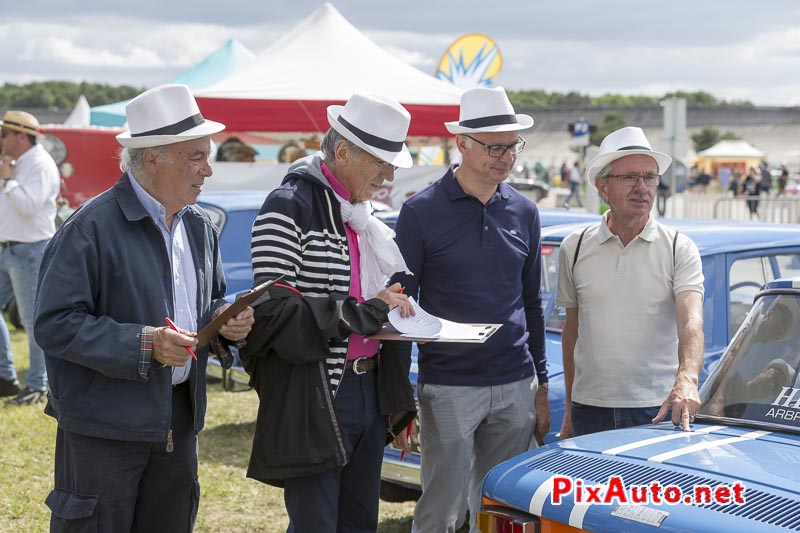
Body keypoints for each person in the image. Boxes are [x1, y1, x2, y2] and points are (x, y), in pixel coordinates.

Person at [33, 84, 254, 532]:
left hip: (178, 418)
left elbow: (204, 301)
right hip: (104, 427)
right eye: (196, 156)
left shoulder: (198, 226)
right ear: (153, 158)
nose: (208, 170)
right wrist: (145, 343)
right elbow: (55, 324)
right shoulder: (88, 228)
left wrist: (223, 320)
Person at [241, 93, 417, 533]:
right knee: (316, 522)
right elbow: (274, 311)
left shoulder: (362, 215)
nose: (388, 175)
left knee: (360, 521)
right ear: (342, 151)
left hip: (367, 390)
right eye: (381, 162)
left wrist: (397, 402)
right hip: (316, 392)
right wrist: (370, 310)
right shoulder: (288, 204)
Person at [391, 86, 551, 533]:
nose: (506, 156)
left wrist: (538, 382)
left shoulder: (525, 211)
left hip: (515, 380)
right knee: (441, 509)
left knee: (501, 511)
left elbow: (532, 302)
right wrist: (401, 398)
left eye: (513, 146)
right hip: (448, 384)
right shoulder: (420, 212)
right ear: (462, 143)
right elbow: (401, 305)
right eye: (495, 146)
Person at [557, 126, 705, 439]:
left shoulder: (680, 246)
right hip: (589, 409)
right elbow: (572, 332)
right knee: (591, 491)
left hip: (658, 409)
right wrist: (569, 413)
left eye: (650, 177)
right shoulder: (574, 247)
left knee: (654, 491)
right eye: (629, 178)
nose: (642, 187)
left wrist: (688, 377)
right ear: (602, 187)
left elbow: (691, 320)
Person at [0, 110, 60, 404]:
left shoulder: (39, 164)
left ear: (20, 136)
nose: (1, 140)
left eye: (4, 134)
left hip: (29, 249)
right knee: (28, 318)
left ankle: (37, 385)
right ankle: (5, 377)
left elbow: (28, 207)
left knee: (32, 320)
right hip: (10, 248)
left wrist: (8, 181)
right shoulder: (19, 162)